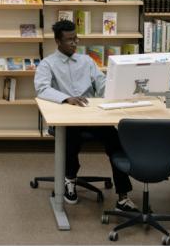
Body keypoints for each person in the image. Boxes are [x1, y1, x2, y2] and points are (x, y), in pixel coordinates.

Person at [34, 20, 138, 212]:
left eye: (76, 38)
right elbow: (42, 89)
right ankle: (69, 179)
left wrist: (121, 89)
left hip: (93, 117)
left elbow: (102, 84)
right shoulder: (47, 64)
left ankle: (123, 196)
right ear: (58, 41)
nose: (74, 43)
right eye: (69, 40)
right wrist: (66, 98)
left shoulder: (87, 61)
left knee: (115, 141)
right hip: (66, 121)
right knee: (70, 140)